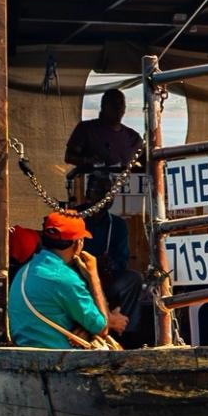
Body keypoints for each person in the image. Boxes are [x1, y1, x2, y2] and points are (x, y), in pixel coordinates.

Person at [64, 88, 145, 302]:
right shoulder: (87, 129)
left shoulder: (132, 137)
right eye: (114, 104)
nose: (119, 109)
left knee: (132, 277)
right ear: (103, 106)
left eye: (122, 105)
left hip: (130, 204)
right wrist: (89, 160)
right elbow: (69, 156)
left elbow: (145, 162)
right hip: (90, 191)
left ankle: (125, 329)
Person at [8, 210, 118, 351]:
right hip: (58, 359)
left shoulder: (25, 270)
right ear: (78, 243)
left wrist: (84, 329)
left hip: (24, 353)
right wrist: (93, 277)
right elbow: (102, 328)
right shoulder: (65, 279)